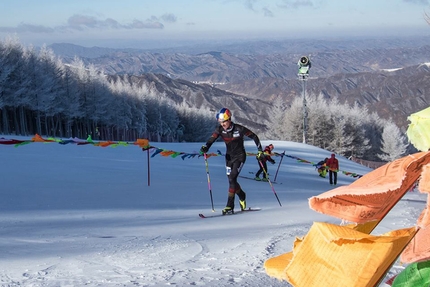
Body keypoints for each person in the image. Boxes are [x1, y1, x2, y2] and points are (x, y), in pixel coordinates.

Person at [200, 108, 263, 215]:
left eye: (224, 121)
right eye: (220, 122)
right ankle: (242, 195)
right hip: (229, 158)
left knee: (233, 178)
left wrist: (260, 150)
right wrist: (206, 147)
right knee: (231, 181)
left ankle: (230, 206)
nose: (222, 124)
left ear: (229, 119)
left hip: (240, 157)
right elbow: (211, 139)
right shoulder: (219, 130)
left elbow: (254, 136)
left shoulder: (239, 129)